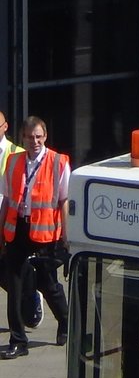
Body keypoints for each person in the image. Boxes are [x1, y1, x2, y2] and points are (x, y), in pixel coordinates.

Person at [0, 116, 70, 359]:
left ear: (45, 137)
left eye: (38, 137)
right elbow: (7, 200)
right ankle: (18, 340)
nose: (34, 141)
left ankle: (65, 320)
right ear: (23, 137)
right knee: (15, 286)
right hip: (18, 229)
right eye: (30, 137)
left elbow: (63, 201)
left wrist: (66, 237)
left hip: (45, 232)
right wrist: (1, 233)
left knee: (48, 284)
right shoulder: (14, 161)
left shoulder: (58, 162)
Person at [0, 111, 42, 330]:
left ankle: (30, 296)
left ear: (5, 127)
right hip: (7, 222)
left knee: (16, 270)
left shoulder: (14, 153)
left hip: (17, 221)